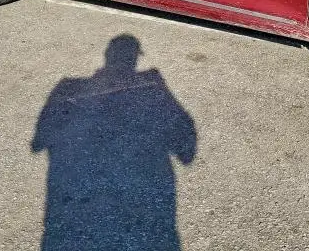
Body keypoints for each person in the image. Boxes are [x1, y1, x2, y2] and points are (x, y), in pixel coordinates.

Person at [32, 34, 197, 250]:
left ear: (107, 55)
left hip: (76, 214)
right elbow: (186, 151)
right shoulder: (153, 86)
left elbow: (38, 142)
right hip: (140, 212)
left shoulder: (67, 87)